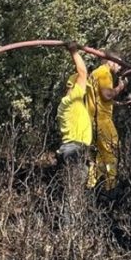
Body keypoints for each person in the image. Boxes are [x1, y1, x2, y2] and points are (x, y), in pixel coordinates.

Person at [87, 57, 129, 190]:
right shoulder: (105, 73)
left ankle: (93, 185)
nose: (120, 67)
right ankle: (111, 186)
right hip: (102, 120)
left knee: (100, 154)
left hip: (93, 120)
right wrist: (120, 87)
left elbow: (100, 99)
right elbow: (106, 95)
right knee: (112, 150)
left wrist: (120, 104)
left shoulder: (94, 73)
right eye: (119, 63)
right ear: (110, 61)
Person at [56, 41, 93, 175]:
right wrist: (74, 52)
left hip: (72, 149)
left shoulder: (69, 103)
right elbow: (82, 73)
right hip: (73, 150)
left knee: (72, 187)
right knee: (74, 189)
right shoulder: (72, 100)